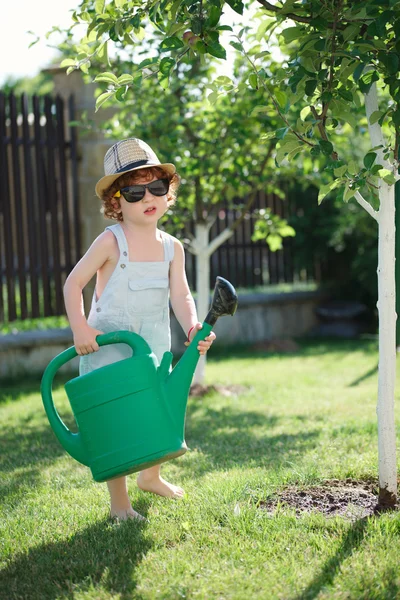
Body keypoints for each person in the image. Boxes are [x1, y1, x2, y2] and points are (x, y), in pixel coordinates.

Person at [63, 138, 216, 521]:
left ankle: (151, 476)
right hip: (108, 346)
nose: (147, 197)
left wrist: (193, 325)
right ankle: (120, 504)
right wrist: (80, 327)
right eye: (134, 192)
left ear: (168, 194)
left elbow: (180, 294)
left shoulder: (172, 247)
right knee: (112, 420)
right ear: (116, 203)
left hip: (152, 345)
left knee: (155, 409)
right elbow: (72, 283)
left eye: (156, 188)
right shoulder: (111, 241)